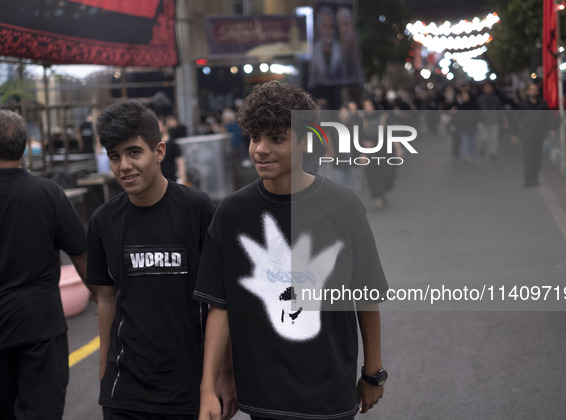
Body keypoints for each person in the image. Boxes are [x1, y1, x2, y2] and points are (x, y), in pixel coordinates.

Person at [195, 81, 389, 420]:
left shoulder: (342, 205)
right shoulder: (231, 213)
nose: (260, 149)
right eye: (255, 137)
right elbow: (220, 307)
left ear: (304, 141)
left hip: (331, 393)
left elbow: (365, 293)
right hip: (262, 395)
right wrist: (210, 386)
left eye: (277, 139)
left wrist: (373, 371)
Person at [86, 100, 236, 419]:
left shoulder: (196, 210)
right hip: (126, 389)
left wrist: (224, 374)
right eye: (114, 156)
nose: (124, 165)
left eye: (133, 152)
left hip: (190, 387)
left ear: (159, 152)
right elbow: (106, 300)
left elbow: (219, 302)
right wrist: (104, 375)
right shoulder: (102, 221)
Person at [0, 110, 87, 419]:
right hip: (39, 325)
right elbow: (82, 255)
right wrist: (109, 303)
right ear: (24, 147)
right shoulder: (47, 193)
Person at [512, 82, 551, 187]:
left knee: (537, 158)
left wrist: (551, 129)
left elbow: (548, 118)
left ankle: (534, 177)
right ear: (528, 92)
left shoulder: (543, 104)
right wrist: (514, 133)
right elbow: (516, 119)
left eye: (535, 89)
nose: (534, 91)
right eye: (531, 89)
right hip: (527, 135)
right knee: (528, 158)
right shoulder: (523, 105)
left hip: (539, 135)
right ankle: (528, 180)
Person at [308, 6, 343, 88]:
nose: (328, 31)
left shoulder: (342, 50)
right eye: (325, 26)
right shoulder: (312, 50)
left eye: (331, 26)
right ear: (319, 27)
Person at [159, 117, 187, 184]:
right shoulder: (154, 145)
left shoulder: (173, 145)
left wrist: (183, 182)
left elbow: (180, 164)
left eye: (158, 126)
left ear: (165, 127)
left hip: (171, 181)